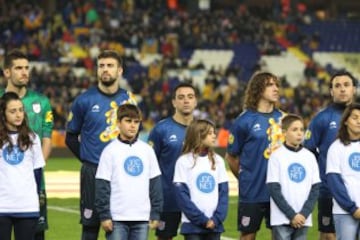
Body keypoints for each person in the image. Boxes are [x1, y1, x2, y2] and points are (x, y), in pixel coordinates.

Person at [65, 50, 137, 240]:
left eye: (110, 66)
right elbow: (70, 137)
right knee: (90, 227)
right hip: (93, 172)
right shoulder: (84, 100)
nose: (105, 70)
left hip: (121, 173)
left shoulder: (128, 100)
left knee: (120, 226)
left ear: (119, 70)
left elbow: (133, 136)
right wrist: (88, 159)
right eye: (101, 66)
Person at [225, 72, 286, 240]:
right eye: (270, 85)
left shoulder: (284, 119)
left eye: (276, 85)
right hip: (252, 192)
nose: (275, 88)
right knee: (247, 236)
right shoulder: (244, 120)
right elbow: (231, 156)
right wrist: (245, 178)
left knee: (281, 235)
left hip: (279, 192)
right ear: (258, 90)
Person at [1, 49, 53, 240]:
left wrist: (29, 168)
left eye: (26, 68)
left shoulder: (42, 102)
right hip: (4, 187)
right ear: (7, 72)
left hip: (32, 182)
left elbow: (47, 139)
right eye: (18, 68)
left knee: (36, 234)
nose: (24, 72)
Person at [95, 104, 163, 240]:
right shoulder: (110, 151)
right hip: (116, 218)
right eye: (128, 121)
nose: (133, 126)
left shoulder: (147, 150)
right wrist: (104, 215)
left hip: (142, 218)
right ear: (118, 123)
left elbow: (155, 184)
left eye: (136, 122)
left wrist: (155, 213)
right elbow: (102, 185)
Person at [304, 71, 357, 240]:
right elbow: (307, 152)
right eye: (337, 86)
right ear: (331, 91)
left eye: (346, 85)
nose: (342, 89)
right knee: (328, 235)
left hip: (357, 190)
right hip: (328, 190)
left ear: (354, 89)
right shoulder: (322, 119)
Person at [148, 82, 198, 240]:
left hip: (196, 199)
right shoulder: (161, 129)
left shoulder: (203, 130)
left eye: (190, 97)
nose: (186, 101)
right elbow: (149, 165)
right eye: (181, 97)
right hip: (168, 198)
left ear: (195, 101)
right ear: (174, 102)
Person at [266, 114, 320, 240]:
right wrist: (291, 215)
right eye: (294, 130)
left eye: (301, 129)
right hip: (282, 218)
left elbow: (315, 187)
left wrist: (304, 213)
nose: (299, 133)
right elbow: (274, 189)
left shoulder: (309, 157)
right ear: (284, 132)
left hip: (303, 219)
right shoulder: (276, 157)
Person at [173, 119, 229, 240]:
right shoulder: (183, 161)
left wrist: (216, 219)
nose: (214, 135)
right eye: (210, 133)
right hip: (192, 226)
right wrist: (202, 220)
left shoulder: (218, 160)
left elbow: (224, 193)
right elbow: (182, 196)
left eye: (214, 132)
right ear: (199, 135)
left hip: (215, 225)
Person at [0, 92, 45, 240]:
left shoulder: (33, 138)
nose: (18, 115)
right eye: (13, 111)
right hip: (2, 206)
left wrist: (36, 197)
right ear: (3, 114)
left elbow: (37, 172)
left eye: (20, 110)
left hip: (27, 206)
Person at [326, 103, 360, 240]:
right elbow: (334, 183)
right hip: (345, 212)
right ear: (346, 121)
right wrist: (352, 208)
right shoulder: (336, 147)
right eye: (355, 117)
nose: (359, 121)